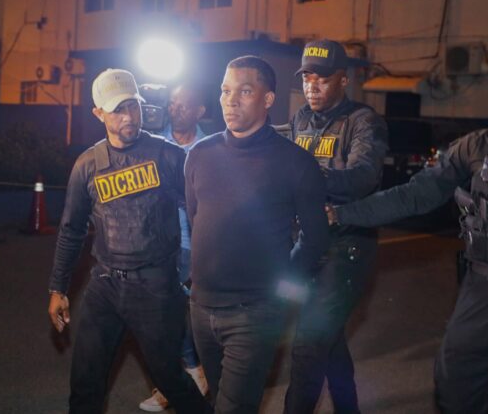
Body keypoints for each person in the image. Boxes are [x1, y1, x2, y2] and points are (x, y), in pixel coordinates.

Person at [328, 43, 488, 414]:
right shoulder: (477, 146)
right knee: (455, 378)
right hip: (484, 285)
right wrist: (342, 214)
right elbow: (414, 195)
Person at [47, 69, 208, 414]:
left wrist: (205, 269)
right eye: (118, 110)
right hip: (104, 285)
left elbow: (204, 213)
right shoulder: (87, 166)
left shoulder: (167, 156)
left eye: (132, 106)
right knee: (85, 382)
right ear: (99, 114)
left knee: (170, 378)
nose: (129, 117)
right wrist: (58, 288)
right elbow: (71, 230)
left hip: (155, 286)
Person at [185, 55, 330, 413]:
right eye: (225, 90)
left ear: (268, 99)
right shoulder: (200, 154)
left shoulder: (295, 163)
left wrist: (279, 285)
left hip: (254, 314)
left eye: (245, 91)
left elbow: (315, 239)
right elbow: (195, 217)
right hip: (201, 309)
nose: (231, 100)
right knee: (220, 400)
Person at [284, 39, 389, 414]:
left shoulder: (364, 121)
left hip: (347, 248)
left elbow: (363, 176)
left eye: (323, 79)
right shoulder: (300, 120)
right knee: (328, 341)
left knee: (309, 344)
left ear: (343, 80)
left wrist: (307, 178)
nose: (312, 86)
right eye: (307, 78)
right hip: (308, 244)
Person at [139, 83, 209, 412]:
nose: (175, 108)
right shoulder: (153, 142)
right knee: (160, 316)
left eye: (183, 104)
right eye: (172, 103)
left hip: (192, 243)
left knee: (177, 313)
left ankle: (189, 374)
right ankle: (183, 376)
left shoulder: (211, 147)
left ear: (200, 111)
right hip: (154, 242)